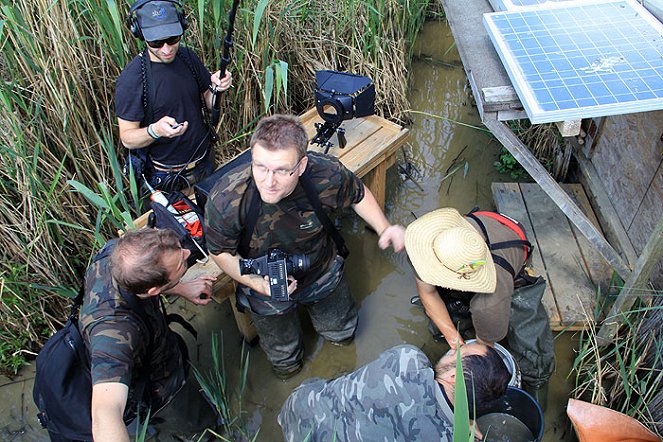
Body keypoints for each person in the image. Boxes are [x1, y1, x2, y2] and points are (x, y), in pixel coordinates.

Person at [204, 114, 405, 378]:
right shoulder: (227, 199)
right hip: (265, 285)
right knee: (284, 360)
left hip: (320, 269)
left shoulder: (325, 173)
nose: (268, 181)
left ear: (301, 166)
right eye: (260, 167)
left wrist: (384, 227)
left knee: (342, 334)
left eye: (281, 170)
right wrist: (257, 283)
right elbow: (220, 252)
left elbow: (357, 193)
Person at [79, 228, 215, 442]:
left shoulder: (119, 253)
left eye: (180, 249)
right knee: (201, 426)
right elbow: (104, 412)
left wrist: (180, 288)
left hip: (158, 344)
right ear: (153, 290)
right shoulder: (115, 332)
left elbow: (144, 285)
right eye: (180, 264)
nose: (188, 254)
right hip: (160, 388)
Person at [404, 207, 554, 397]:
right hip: (482, 228)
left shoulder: (489, 303)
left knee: (533, 349)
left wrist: (473, 361)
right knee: (443, 322)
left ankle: (537, 388)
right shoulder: (431, 244)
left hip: (508, 253)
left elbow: (485, 350)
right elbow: (428, 293)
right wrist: (453, 339)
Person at [278, 343, 511, 441]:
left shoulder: (408, 359)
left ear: (453, 377)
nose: (453, 348)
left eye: (458, 352)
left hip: (299, 407)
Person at [115, 0, 232, 191]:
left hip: (205, 164)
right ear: (140, 34)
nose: (166, 49)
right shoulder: (132, 79)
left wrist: (218, 88)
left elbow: (210, 103)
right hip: (166, 179)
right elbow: (127, 138)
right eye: (156, 42)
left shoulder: (188, 58)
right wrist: (155, 130)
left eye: (173, 39)